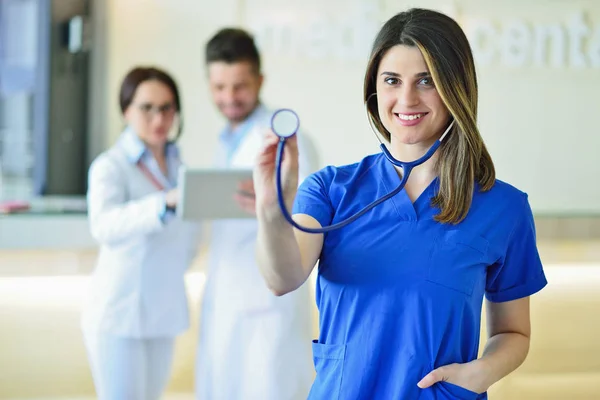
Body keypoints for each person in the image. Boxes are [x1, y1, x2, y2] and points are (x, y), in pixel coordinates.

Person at [253, 8, 548, 400]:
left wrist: (478, 374)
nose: (406, 98)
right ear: (374, 90)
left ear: (455, 86)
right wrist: (272, 211)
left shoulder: (503, 208)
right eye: (392, 80)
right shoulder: (330, 189)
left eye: (426, 81)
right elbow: (281, 279)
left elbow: (514, 332)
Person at [195, 28, 315, 400]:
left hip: (267, 306)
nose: (229, 97)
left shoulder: (286, 141)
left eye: (240, 86)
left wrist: (273, 208)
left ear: (260, 80)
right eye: (219, 87)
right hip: (228, 297)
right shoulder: (226, 139)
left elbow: (307, 220)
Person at [81, 66, 200, 400]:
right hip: (120, 312)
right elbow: (104, 225)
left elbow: (189, 233)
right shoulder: (111, 166)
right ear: (126, 111)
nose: (158, 118)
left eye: (166, 108)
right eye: (147, 107)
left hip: (161, 309)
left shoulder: (179, 165)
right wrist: (163, 203)